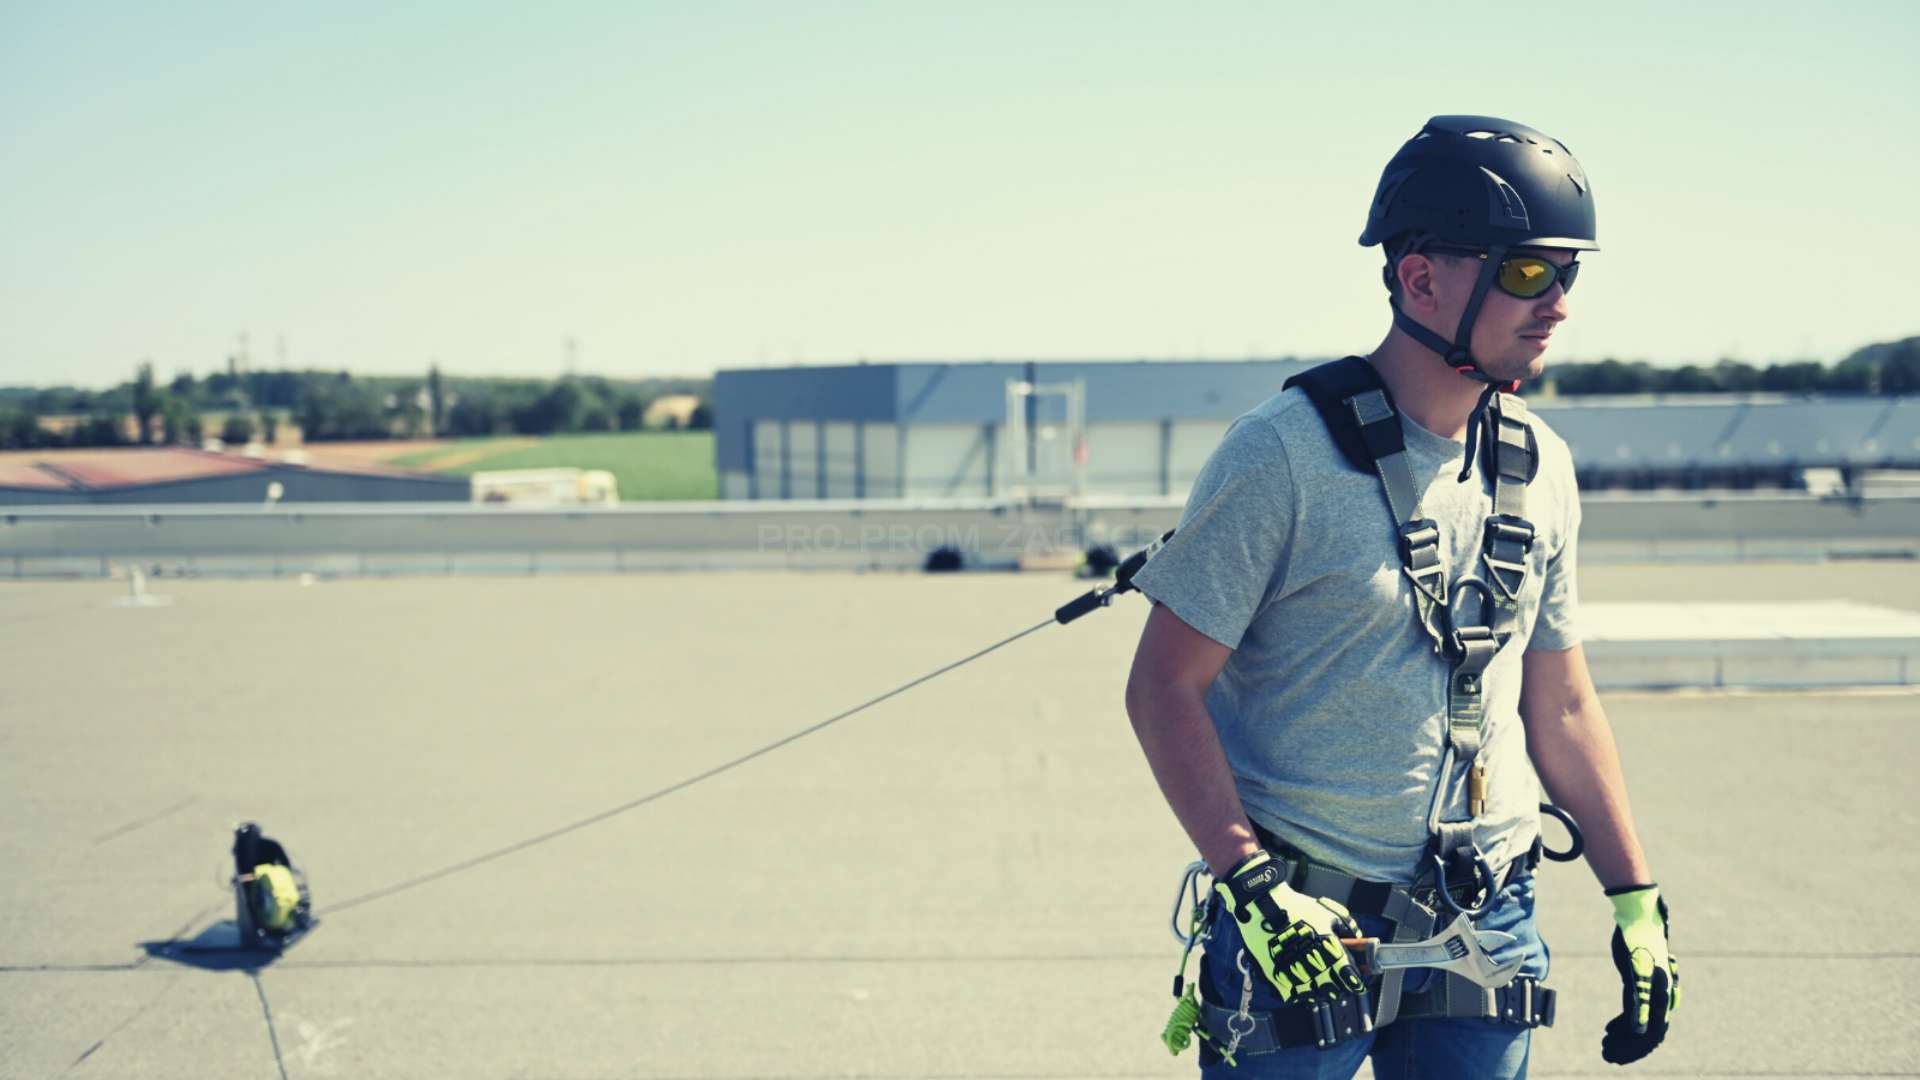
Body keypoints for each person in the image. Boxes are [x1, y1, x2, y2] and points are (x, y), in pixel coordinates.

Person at [1124, 116, 1679, 1079]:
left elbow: (1561, 701)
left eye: (1568, 274)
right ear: (1420, 278)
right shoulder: (1280, 455)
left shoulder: (1541, 464)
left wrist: (1636, 901)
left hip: (1488, 916)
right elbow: (1164, 687)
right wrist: (1251, 888)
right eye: (1526, 272)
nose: (1556, 304)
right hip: (1303, 923)